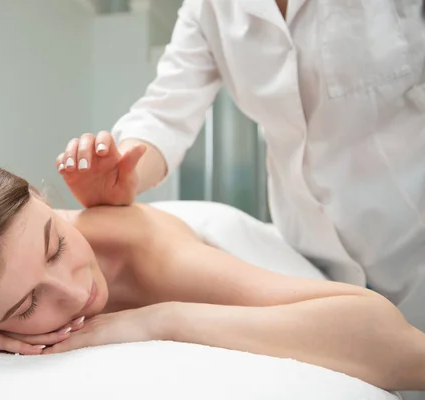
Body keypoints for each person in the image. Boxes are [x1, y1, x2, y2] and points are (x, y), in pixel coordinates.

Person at [0, 155, 424, 392]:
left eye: (56, 245)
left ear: (41, 197)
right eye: (25, 307)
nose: (75, 289)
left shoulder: (150, 258)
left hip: (215, 229)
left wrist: (154, 320)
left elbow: (395, 344)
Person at [55, 0, 425, 332]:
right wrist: (126, 170)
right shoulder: (208, 10)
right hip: (312, 252)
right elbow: (164, 116)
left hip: (411, 239)